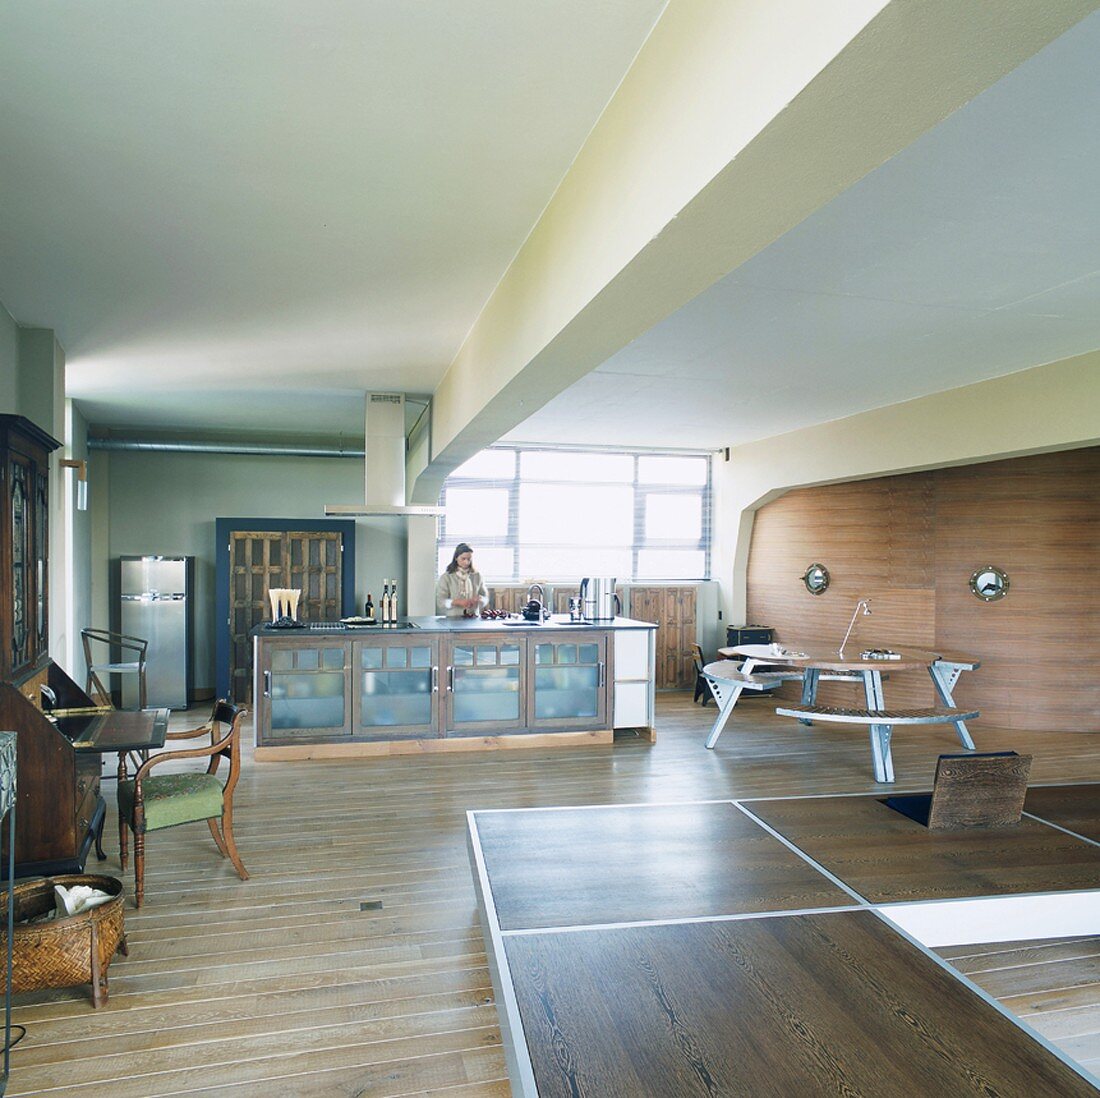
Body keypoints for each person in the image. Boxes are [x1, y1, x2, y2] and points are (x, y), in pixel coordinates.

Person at [436, 542, 488, 617]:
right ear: (456, 558)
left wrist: (480, 599)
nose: (466, 562)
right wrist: (456, 602)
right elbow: (440, 602)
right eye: (463, 558)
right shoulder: (446, 577)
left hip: (473, 619)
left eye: (469, 559)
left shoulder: (477, 576)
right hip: (453, 620)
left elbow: (485, 599)